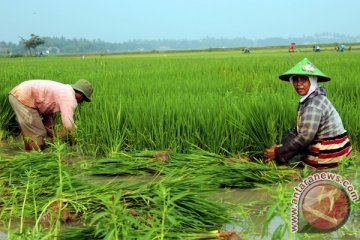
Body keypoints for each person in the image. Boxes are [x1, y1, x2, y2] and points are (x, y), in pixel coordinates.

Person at [264, 58, 351, 170]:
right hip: (338, 147)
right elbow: (298, 130)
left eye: (303, 80)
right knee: (290, 157)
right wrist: (280, 146)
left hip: (331, 152)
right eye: (295, 80)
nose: (298, 84)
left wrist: (277, 153)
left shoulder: (313, 104)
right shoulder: (311, 98)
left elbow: (305, 137)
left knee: (295, 168)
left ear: (312, 81)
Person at [8, 79, 93, 151]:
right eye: (84, 99)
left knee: (32, 132)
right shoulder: (69, 98)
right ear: (80, 95)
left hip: (19, 93)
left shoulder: (64, 90)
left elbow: (47, 109)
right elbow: (68, 125)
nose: (82, 102)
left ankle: (28, 154)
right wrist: (72, 141)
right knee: (39, 135)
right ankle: (35, 162)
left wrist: (50, 129)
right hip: (23, 96)